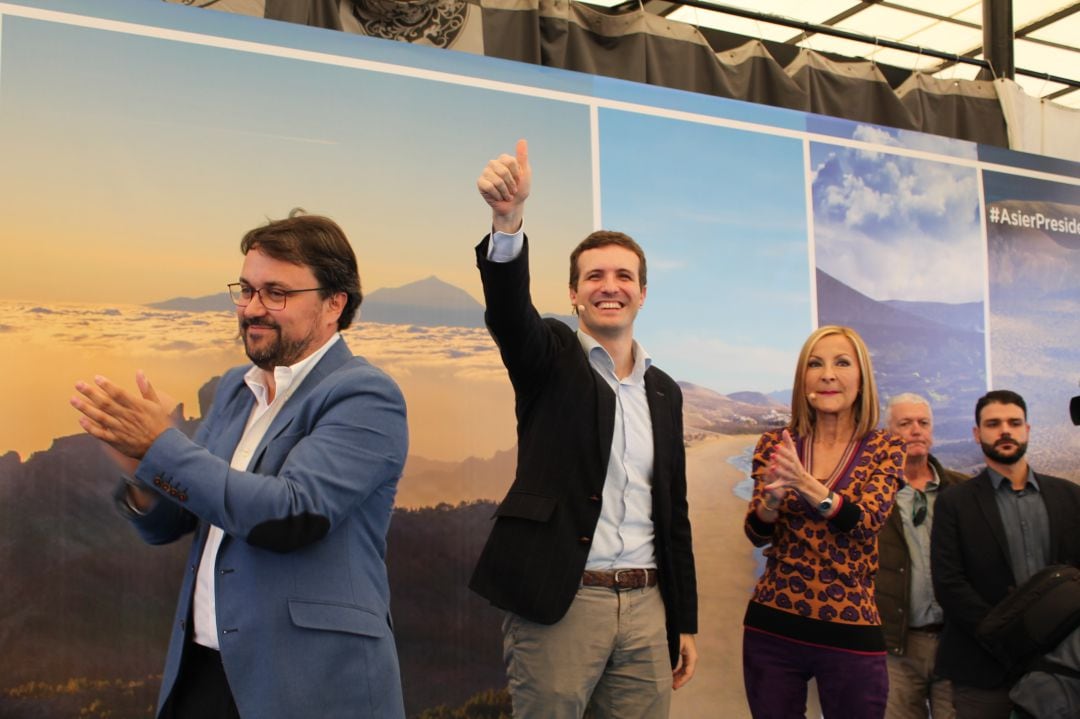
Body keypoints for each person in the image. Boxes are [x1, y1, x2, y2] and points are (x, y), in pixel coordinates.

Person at [70, 214, 409, 719]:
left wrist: (161, 446)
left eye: (276, 293)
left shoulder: (365, 395)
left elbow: (291, 515)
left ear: (334, 303)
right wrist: (141, 464)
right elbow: (176, 521)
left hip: (309, 684)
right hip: (205, 672)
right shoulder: (234, 387)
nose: (252, 308)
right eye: (246, 290)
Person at [469, 139, 698, 718]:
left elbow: (674, 514)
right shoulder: (549, 357)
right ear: (573, 293)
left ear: (643, 293)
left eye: (624, 275)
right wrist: (507, 221)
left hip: (647, 609)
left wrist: (684, 620)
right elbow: (508, 313)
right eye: (593, 275)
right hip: (563, 604)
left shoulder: (665, 391)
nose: (609, 285)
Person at [742, 325, 904, 719]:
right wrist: (772, 501)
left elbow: (865, 522)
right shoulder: (775, 443)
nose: (828, 373)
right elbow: (755, 532)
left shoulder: (886, 447)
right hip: (773, 626)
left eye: (842, 363)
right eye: (816, 364)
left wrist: (806, 484)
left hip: (851, 631)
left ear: (862, 379)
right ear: (804, 380)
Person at [931, 389, 1080, 719]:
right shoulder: (954, 502)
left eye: (1014, 422)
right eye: (993, 423)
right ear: (977, 433)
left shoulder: (1070, 497)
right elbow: (949, 583)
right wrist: (1006, 639)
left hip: (1062, 671)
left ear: (1027, 429)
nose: (1005, 431)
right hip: (982, 670)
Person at [876, 393, 968, 719]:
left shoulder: (963, 491)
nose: (916, 430)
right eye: (905, 423)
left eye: (923, 423)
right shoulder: (871, 494)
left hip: (956, 645)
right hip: (896, 648)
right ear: (887, 434)